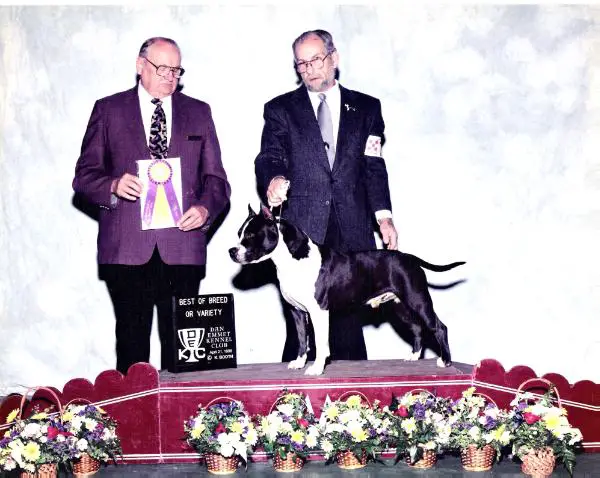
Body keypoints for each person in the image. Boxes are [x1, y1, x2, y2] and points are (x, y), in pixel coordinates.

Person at [73, 37, 231, 375]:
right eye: (162, 69)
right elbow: (84, 177)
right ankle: (134, 410)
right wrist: (112, 185)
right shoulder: (108, 110)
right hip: (127, 249)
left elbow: (217, 181)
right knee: (132, 351)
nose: (170, 77)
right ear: (140, 65)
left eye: (176, 70)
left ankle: (187, 411)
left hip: (183, 247)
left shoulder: (199, 112)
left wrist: (205, 209)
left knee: (187, 354)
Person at [255, 29, 398, 361]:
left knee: (349, 325)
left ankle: (354, 393)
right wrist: (274, 178)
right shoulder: (280, 109)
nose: (309, 69)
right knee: (301, 327)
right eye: (301, 64)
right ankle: (294, 393)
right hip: (303, 230)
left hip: (353, 227)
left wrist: (384, 217)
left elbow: (373, 165)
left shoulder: (367, 107)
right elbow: (269, 155)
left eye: (316, 60)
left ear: (334, 58)